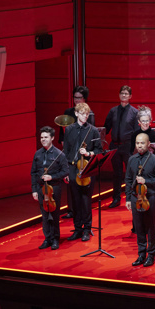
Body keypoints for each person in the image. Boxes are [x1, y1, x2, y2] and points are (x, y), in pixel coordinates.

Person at [63, 103, 103, 242]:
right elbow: (66, 151)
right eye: (82, 113)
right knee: (75, 200)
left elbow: (99, 150)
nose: (85, 116)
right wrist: (66, 171)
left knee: (86, 200)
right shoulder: (69, 129)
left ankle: (87, 229)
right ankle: (77, 229)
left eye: (87, 114)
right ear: (76, 114)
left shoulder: (93, 130)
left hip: (87, 168)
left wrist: (88, 153)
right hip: (73, 167)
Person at [125, 133, 155, 267]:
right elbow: (128, 180)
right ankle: (141, 254)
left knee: (150, 227)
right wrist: (128, 199)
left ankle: (151, 254)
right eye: (137, 143)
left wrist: (146, 181)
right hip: (135, 197)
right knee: (138, 227)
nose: (139, 146)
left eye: (142, 143)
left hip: (150, 198)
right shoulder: (132, 159)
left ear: (148, 144)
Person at [59, 85, 95, 220]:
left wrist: (87, 152)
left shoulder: (89, 115)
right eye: (75, 97)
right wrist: (64, 143)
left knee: (84, 192)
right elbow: (62, 132)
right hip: (71, 156)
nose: (77, 100)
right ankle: (72, 212)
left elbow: (92, 137)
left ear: (84, 99)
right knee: (72, 188)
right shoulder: (68, 112)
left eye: (79, 98)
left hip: (84, 158)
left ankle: (85, 220)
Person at [31, 126, 68, 251]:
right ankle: (47, 238)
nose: (43, 139)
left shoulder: (59, 154)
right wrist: (34, 190)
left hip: (54, 188)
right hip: (41, 188)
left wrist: (52, 177)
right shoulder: (37, 154)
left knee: (54, 214)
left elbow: (65, 171)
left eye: (46, 137)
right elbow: (33, 173)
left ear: (52, 138)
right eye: (41, 137)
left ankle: (55, 239)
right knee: (45, 215)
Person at [105, 85, 139, 208]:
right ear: (119, 95)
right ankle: (116, 199)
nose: (124, 95)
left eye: (126, 93)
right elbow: (106, 128)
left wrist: (134, 148)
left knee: (131, 173)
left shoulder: (135, 112)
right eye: (122, 93)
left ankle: (132, 198)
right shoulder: (113, 111)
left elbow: (136, 132)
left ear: (130, 96)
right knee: (116, 174)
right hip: (114, 146)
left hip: (128, 146)